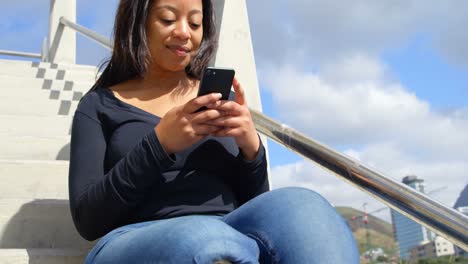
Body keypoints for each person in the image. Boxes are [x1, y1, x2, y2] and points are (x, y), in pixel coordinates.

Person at [68, 0, 359, 263]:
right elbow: (88, 220)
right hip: (138, 237)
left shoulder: (216, 101)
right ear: (137, 23)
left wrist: (250, 149)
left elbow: (255, 204)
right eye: (168, 20)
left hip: (233, 228)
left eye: (195, 24)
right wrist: (158, 145)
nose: (185, 32)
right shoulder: (98, 105)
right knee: (207, 240)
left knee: (305, 206)